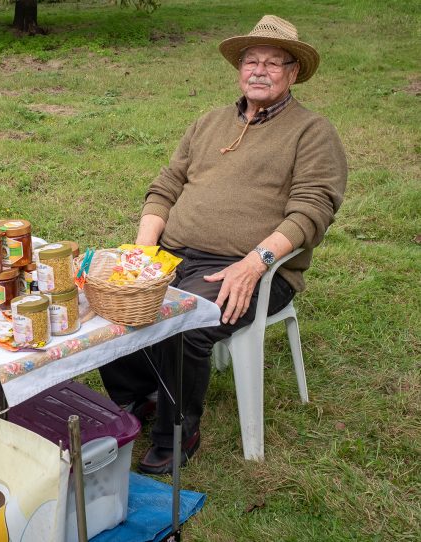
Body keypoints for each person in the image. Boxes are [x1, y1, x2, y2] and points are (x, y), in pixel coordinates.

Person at [99, 15, 347, 474]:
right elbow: (166, 186)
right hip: (175, 253)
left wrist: (255, 264)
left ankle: (178, 430)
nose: (259, 69)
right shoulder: (208, 122)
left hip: (251, 264)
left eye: (274, 63)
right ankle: (143, 394)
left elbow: (313, 210)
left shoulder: (313, 131)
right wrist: (143, 250)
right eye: (251, 60)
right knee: (114, 297)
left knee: (184, 321)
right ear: (239, 68)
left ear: (293, 73)